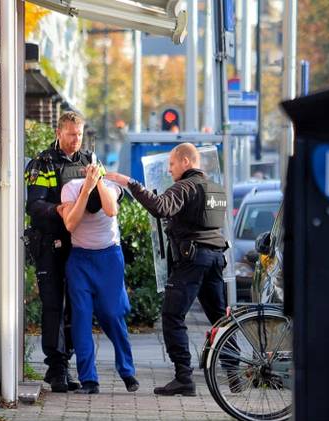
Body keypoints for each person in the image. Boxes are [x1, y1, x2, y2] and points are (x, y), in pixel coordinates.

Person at [105, 143, 229, 396]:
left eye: (172, 164)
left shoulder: (185, 187)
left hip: (192, 260)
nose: (169, 170)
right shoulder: (215, 188)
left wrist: (131, 183)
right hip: (216, 257)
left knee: (173, 316)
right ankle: (234, 371)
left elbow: (160, 207)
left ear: (185, 161)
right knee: (220, 318)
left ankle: (184, 377)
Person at [24, 111, 99, 392]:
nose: (75, 140)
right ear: (59, 133)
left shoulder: (90, 161)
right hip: (51, 243)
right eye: (70, 134)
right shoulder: (42, 163)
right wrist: (59, 209)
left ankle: (66, 361)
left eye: (79, 135)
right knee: (54, 304)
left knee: (78, 305)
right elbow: (34, 206)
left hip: (81, 244)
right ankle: (56, 368)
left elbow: (104, 193)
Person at [58, 164, 138, 395]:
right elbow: (71, 224)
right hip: (80, 260)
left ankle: (127, 371)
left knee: (112, 314)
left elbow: (111, 210)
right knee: (81, 318)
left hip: (109, 258)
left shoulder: (111, 186)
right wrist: (86, 190)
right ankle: (89, 380)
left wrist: (99, 181)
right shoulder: (72, 188)